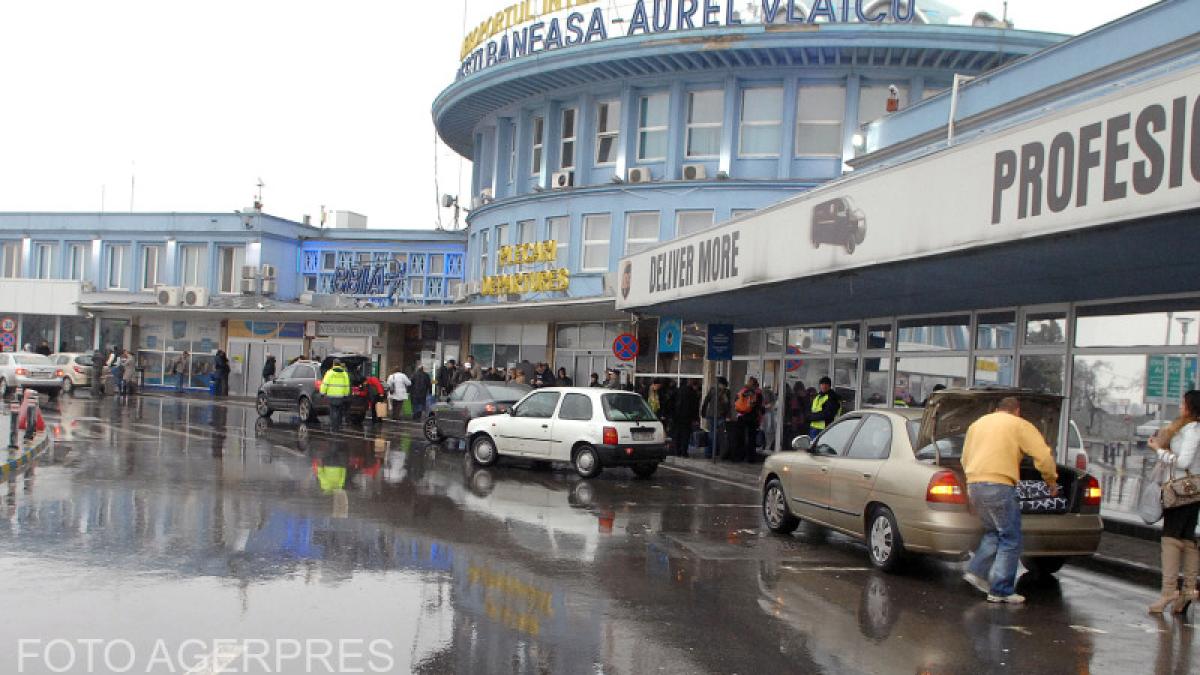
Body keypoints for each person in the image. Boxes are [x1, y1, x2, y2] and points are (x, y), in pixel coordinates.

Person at [960, 396, 1058, 605]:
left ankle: (976, 572)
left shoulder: (977, 424)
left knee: (994, 532)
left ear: (997, 409)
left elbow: (964, 457)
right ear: (1017, 411)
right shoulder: (1019, 424)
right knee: (1011, 537)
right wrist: (1051, 481)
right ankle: (1001, 590)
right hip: (999, 485)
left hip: (975, 484)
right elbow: (1043, 455)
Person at [1147, 389, 1200, 614]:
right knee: (1188, 540)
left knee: (1170, 539)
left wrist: (1159, 450)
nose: (1180, 406)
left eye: (1183, 403)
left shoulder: (1192, 430)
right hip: (1195, 491)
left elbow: (1183, 461)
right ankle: (1188, 590)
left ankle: (1169, 591)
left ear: (1190, 407)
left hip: (1181, 491)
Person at [733, 377, 764, 462]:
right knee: (751, 438)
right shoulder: (758, 393)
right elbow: (759, 407)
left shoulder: (742, 391)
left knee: (740, 437)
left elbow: (735, 402)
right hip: (752, 418)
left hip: (741, 416)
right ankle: (751, 458)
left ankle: (739, 456)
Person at [701, 377, 732, 459]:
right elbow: (727, 405)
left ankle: (711, 453)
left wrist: (703, 411)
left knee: (713, 434)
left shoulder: (716, 390)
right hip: (717, 416)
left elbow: (706, 401)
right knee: (716, 435)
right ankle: (714, 453)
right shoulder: (720, 391)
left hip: (715, 415)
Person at [320, 360, 352, 432]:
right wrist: (346, 394)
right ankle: (338, 424)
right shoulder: (344, 374)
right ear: (340, 365)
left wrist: (322, 392)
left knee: (333, 410)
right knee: (338, 410)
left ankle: (334, 426)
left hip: (331, 395)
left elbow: (325, 383)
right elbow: (347, 385)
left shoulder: (329, 373)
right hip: (340, 396)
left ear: (333, 364)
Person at [673, 379, 700, 457]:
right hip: (687, 417)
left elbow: (672, 401)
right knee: (686, 435)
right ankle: (684, 452)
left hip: (677, 416)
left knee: (678, 434)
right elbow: (695, 407)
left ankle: (677, 451)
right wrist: (696, 418)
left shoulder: (678, 390)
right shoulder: (693, 393)